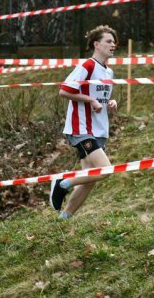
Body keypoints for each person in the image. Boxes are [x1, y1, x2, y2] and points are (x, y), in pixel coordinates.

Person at [50, 25, 118, 219]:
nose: (113, 45)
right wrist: (90, 100)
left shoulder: (109, 73)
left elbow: (101, 99)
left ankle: (65, 217)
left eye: (114, 42)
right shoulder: (87, 66)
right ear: (96, 44)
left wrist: (110, 103)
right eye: (108, 41)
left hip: (99, 130)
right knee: (106, 170)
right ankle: (63, 181)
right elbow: (64, 91)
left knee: (89, 179)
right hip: (81, 128)